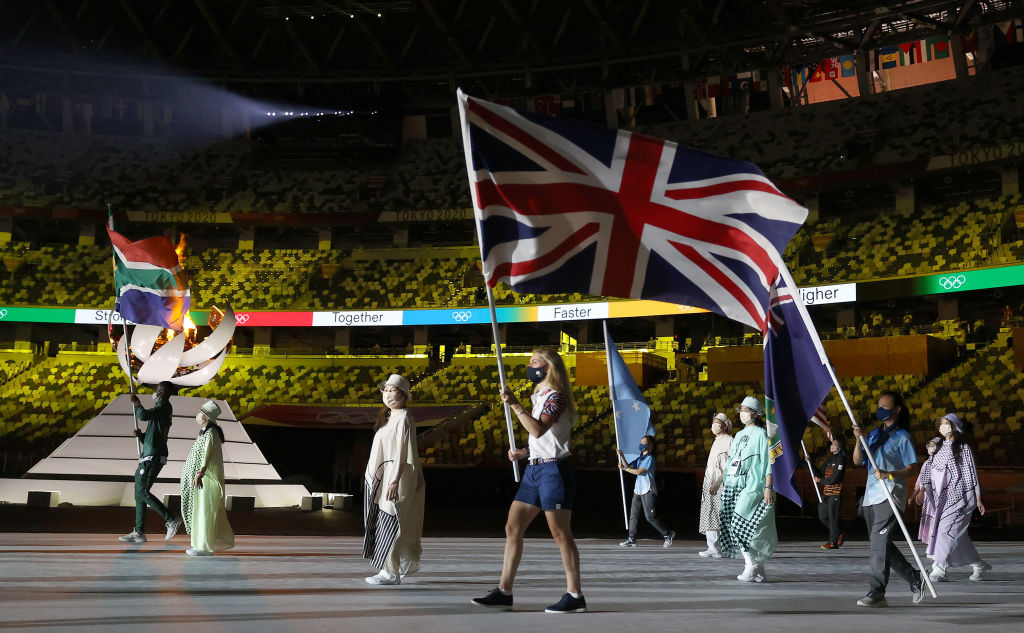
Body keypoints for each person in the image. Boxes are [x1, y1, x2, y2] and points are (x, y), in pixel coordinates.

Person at [472, 347, 585, 614]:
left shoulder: (556, 397)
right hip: (534, 470)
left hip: (554, 472)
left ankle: (575, 595)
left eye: (535, 362)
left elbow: (537, 429)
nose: (530, 366)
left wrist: (514, 405)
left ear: (549, 367)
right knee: (513, 528)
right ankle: (504, 591)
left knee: (560, 533)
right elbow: (544, 440)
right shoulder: (540, 395)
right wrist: (525, 453)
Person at [852, 390, 924, 608]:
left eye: (885, 405)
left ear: (897, 409)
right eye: (878, 404)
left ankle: (876, 592)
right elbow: (857, 460)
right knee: (880, 543)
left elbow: (912, 468)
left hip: (890, 494)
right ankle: (915, 577)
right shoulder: (874, 434)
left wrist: (888, 474)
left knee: (878, 544)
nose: (880, 408)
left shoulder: (902, 436)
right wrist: (858, 440)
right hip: (870, 496)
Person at [363, 374, 425, 585]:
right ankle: (396, 565)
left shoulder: (404, 418)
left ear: (404, 394)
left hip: (396, 476)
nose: (388, 394)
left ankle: (390, 573)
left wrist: (395, 481)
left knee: (391, 520)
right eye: (386, 390)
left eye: (393, 390)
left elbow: (402, 452)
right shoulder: (390, 417)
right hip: (384, 475)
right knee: (385, 520)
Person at [916, 413, 991, 582]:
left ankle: (939, 569)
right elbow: (929, 468)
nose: (942, 426)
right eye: (941, 423)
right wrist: (920, 488)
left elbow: (971, 474)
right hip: (940, 499)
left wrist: (978, 498)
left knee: (943, 531)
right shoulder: (937, 447)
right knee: (956, 536)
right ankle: (979, 565)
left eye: (946, 423)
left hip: (960, 498)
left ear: (955, 427)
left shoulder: (963, 448)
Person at [712, 396, 776, 583]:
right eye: (740, 410)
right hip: (733, 485)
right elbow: (731, 463)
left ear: (755, 414)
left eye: (745, 410)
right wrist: (718, 482)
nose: (742, 414)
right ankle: (760, 569)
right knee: (745, 528)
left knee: (740, 526)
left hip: (753, 485)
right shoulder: (738, 435)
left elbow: (768, 462)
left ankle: (751, 565)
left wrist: (768, 486)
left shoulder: (762, 434)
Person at [120, 381, 181, 543]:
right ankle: (139, 532)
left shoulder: (164, 406)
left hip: (153, 456)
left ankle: (170, 519)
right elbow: (152, 435)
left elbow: (143, 416)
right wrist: (140, 436)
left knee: (141, 491)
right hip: (149, 454)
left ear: (165, 393)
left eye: (159, 389)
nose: (156, 391)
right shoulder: (162, 409)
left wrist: (137, 403)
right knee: (139, 493)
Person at [180, 400, 234, 556]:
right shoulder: (204, 432)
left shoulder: (211, 433)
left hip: (206, 480)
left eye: (202, 413)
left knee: (204, 511)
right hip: (201, 479)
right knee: (199, 511)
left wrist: (200, 474)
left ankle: (204, 547)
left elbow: (207, 456)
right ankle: (198, 544)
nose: (199, 416)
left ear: (207, 417)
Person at [616, 435, 675, 548]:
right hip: (638, 490)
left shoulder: (650, 458)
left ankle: (667, 534)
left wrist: (624, 468)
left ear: (650, 445)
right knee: (633, 515)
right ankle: (631, 538)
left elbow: (639, 471)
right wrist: (621, 456)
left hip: (648, 490)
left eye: (644, 442)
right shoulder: (640, 458)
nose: (641, 444)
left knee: (650, 517)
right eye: (641, 442)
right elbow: (629, 466)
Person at [698, 412, 733, 557]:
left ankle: (726, 547)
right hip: (709, 481)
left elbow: (731, 464)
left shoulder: (730, 440)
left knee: (722, 514)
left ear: (725, 425)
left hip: (722, 483)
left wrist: (719, 481)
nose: (714, 425)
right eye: (713, 422)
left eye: (718, 422)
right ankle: (712, 547)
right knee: (710, 513)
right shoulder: (715, 441)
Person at [813, 439, 847, 549]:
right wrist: (810, 463)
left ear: (839, 448)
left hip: (835, 493)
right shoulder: (830, 460)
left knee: (832, 518)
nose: (831, 446)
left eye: (834, 445)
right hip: (826, 493)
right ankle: (839, 532)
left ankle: (833, 542)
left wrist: (820, 481)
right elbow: (819, 472)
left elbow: (834, 478)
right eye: (832, 444)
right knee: (823, 516)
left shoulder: (841, 460)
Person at [912, 437, 942, 548]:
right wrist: (913, 495)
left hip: (937, 496)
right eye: (929, 445)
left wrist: (921, 491)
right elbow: (920, 480)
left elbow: (929, 480)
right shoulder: (927, 463)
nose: (930, 448)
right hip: (929, 499)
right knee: (930, 519)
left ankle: (938, 544)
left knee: (937, 519)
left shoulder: (940, 462)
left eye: (933, 445)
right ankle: (932, 543)